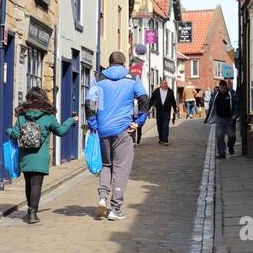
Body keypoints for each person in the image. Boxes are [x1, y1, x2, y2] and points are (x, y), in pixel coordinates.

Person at [86, 51, 149, 221]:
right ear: (123, 63)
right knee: (121, 168)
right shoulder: (132, 79)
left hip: (103, 130)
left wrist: (93, 124)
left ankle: (102, 197)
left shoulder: (98, 78)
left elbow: (90, 102)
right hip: (123, 130)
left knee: (106, 165)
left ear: (109, 62)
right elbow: (144, 99)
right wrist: (139, 121)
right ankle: (115, 208)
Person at [8, 86, 77, 226]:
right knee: (36, 184)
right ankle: (33, 212)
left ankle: (30, 209)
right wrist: (71, 120)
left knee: (28, 183)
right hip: (40, 156)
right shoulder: (48, 117)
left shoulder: (22, 116)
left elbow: (15, 134)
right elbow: (61, 131)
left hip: (25, 156)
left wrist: (8, 130)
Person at [205, 79, 234, 159]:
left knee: (231, 136)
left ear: (226, 87)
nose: (223, 90)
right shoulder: (215, 95)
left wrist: (234, 114)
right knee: (219, 136)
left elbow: (235, 103)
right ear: (219, 88)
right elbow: (211, 103)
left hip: (229, 119)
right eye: (221, 88)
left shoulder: (230, 94)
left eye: (224, 88)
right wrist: (209, 113)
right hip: (219, 118)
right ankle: (222, 153)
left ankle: (230, 145)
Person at [149, 77, 178, 144]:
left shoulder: (170, 91)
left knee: (165, 125)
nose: (165, 85)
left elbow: (173, 101)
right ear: (160, 84)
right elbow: (152, 100)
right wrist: (148, 108)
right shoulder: (156, 91)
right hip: (159, 111)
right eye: (163, 83)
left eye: (166, 83)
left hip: (167, 111)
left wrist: (175, 109)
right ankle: (161, 139)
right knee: (159, 126)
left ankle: (165, 140)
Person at [226, 77, 241, 156]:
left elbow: (237, 104)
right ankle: (223, 150)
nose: (229, 86)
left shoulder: (234, 93)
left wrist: (236, 114)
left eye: (230, 84)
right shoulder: (221, 93)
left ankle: (230, 145)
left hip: (232, 117)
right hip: (223, 117)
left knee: (232, 135)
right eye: (228, 84)